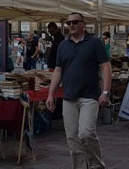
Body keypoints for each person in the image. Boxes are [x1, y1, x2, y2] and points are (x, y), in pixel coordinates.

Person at [46, 13, 110, 169]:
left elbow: (106, 67)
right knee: (73, 139)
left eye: (75, 22)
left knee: (86, 133)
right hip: (69, 97)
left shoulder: (94, 42)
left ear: (83, 24)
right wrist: (50, 94)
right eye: (68, 23)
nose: (71, 25)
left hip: (89, 96)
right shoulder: (63, 45)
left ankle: (96, 165)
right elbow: (58, 70)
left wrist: (105, 92)